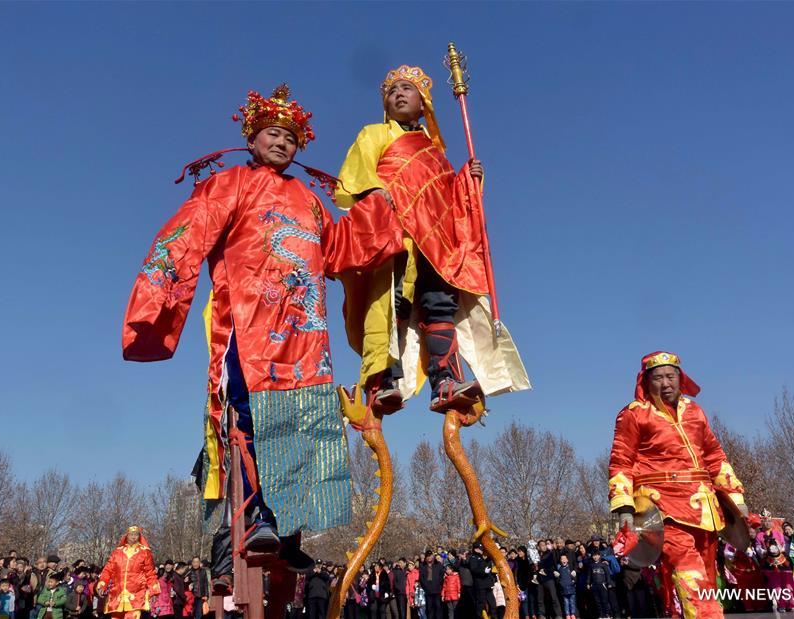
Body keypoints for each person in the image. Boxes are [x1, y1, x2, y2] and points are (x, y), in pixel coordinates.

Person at [122, 84, 402, 583]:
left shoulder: (310, 201)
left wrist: (389, 204)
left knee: (311, 426)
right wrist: (156, 299)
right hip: (249, 330)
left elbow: (338, 249)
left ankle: (288, 529)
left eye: (291, 138)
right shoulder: (228, 185)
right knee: (251, 420)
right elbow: (187, 234)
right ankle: (255, 521)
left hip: (306, 335)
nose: (282, 143)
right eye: (273, 134)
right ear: (252, 140)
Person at [335, 64, 529, 415]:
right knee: (392, 305)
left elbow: (448, 199)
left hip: (436, 242)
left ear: (423, 101)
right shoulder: (374, 134)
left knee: (440, 303)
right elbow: (357, 172)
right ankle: (383, 382)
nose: (399, 94)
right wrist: (377, 189)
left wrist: (468, 181)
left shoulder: (434, 150)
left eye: (407, 89)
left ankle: (445, 380)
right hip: (395, 233)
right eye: (393, 90)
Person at [608, 351, 747, 619]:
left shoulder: (695, 411)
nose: (666, 383)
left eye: (671, 376)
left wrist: (735, 495)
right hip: (662, 509)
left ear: (680, 378)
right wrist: (624, 505)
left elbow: (715, 455)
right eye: (658, 377)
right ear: (647, 381)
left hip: (706, 510)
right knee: (689, 572)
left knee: (707, 577)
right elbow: (621, 460)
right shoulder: (634, 414)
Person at [96, 526, 160, 619]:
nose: (133, 537)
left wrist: (154, 592)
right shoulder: (117, 552)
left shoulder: (145, 552)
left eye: (136, 534)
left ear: (139, 536)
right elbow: (108, 570)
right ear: (127, 536)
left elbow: (150, 573)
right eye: (131, 534)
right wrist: (102, 585)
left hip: (136, 594)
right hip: (117, 594)